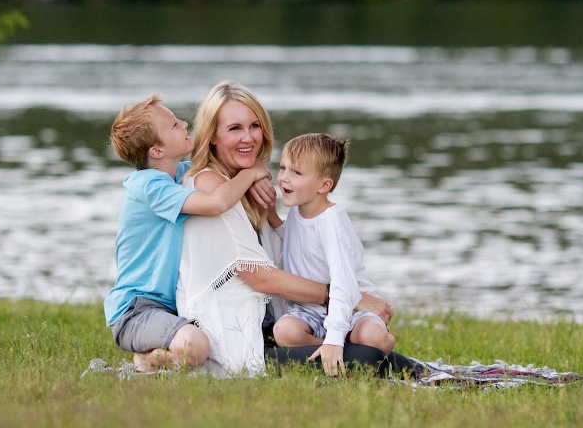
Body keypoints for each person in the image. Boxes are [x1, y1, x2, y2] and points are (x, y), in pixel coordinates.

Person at [176, 80, 420, 378]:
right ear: (212, 136)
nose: (248, 137)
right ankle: (410, 369)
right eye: (234, 128)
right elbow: (258, 275)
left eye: (255, 125)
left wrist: (263, 198)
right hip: (234, 338)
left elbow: (291, 250)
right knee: (366, 356)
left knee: (365, 347)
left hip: (272, 325)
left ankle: (395, 363)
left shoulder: (247, 184)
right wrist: (349, 297)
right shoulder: (213, 187)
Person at [103, 94, 272, 372]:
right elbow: (217, 203)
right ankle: (147, 360)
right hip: (136, 310)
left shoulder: (179, 174)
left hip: (172, 308)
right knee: (196, 346)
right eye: (173, 124)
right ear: (157, 150)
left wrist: (250, 176)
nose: (184, 123)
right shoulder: (148, 186)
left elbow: (220, 174)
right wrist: (252, 173)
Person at [271, 133, 396, 377]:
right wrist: (270, 215)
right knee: (284, 331)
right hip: (312, 311)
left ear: (324, 186)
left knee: (371, 336)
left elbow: (342, 283)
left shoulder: (332, 222)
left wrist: (336, 335)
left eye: (296, 172)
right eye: (283, 167)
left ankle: (375, 348)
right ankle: (344, 356)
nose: (284, 177)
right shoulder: (298, 209)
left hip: (352, 308)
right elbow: (297, 241)